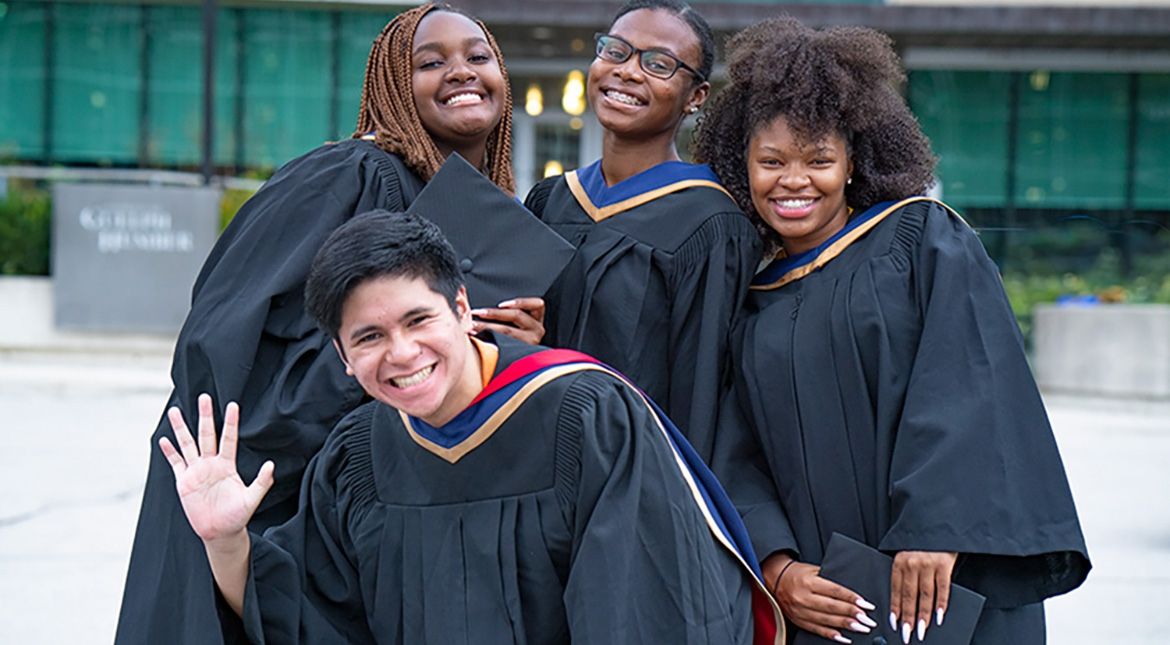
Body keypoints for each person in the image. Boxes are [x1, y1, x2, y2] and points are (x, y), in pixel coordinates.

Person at [115, 5, 543, 643]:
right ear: (393, 83)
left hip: (370, 521)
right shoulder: (349, 175)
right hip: (260, 503)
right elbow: (223, 338)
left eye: (478, 57)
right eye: (431, 62)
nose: (461, 72)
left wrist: (504, 350)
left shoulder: (478, 209)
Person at [159, 212, 783, 644]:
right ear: (343, 357)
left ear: (461, 307)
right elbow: (313, 618)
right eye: (369, 337)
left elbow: (645, 611)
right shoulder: (360, 456)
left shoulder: (586, 416)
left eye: (418, 320)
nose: (401, 354)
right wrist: (226, 541)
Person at [696, 17, 1090, 645]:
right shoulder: (751, 299)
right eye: (771, 161)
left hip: (941, 579)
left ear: (853, 163)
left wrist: (937, 526)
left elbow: (973, 381)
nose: (793, 180)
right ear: (743, 166)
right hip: (827, 599)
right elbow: (734, 448)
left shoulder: (920, 240)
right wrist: (777, 565)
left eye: (818, 160)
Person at [524, 0, 761, 462]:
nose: (628, 72)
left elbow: (702, 402)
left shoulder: (712, 225)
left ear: (696, 97)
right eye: (616, 51)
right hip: (531, 461)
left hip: (634, 478)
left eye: (658, 64)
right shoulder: (550, 199)